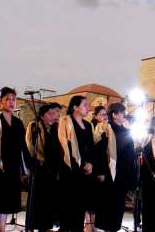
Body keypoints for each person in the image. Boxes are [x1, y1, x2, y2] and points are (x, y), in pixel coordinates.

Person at [0, 87, 32, 232]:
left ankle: (1, 229)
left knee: (4, 202)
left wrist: (29, 164)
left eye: (13, 99)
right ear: (0, 102)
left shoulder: (18, 123)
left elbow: (23, 147)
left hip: (12, 166)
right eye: (7, 99)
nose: (11, 102)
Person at [95, 102, 137, 232]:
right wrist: (101, 171)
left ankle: (115, 228)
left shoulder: (127, 131)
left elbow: (131, 154)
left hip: (123, 174)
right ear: (114, 115)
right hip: (109, 173)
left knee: (119, 205)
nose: (124, 115)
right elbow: (100, 152)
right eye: (122, 113)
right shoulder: (106, 129)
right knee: (109, 205)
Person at [58, 95, 96, 232]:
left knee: (80, 206)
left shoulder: (88, 125)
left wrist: (90, 163)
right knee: (68, 206)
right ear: (75, 107)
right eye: (85, 105)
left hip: (84, 171)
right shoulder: (65, 121)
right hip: (69, 170)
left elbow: (92, 148)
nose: (88, 107)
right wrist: (77, 165)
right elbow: (63, 145)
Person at [25, 102, 63, 232]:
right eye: (50, 114)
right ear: (42, 115)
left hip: (52, 170)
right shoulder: (34, 125)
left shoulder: (56, 128)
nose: (54, 116)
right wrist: (37, 161)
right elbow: (30, 145)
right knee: (36, 200)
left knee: (48, 201)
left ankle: (45, 226)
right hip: (39, 168)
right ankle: (31, 226)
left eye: (54, 114)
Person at [88, 106, 108, 232]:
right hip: (92, 167)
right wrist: (99, 170)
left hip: (101, 167)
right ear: (95, 115)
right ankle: (89, 225)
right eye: (101, 114)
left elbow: (105, 153)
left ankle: (93, 225)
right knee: (90, 198)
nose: (104, 116)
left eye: (105, 114)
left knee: (97, 199)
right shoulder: (92, 128)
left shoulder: (105, 129)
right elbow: (94, 151)